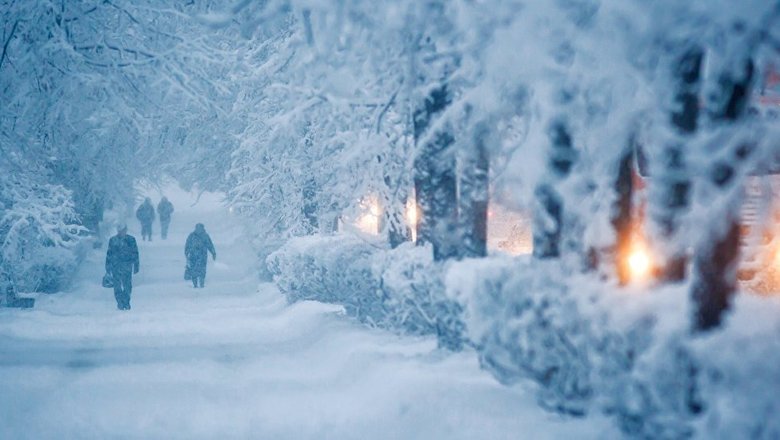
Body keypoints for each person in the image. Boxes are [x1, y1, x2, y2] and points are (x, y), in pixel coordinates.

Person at [105, 223, 139, 310]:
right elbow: (109, 254)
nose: (122, 232)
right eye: (120, 230)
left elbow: (135, 253)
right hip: (116, 266)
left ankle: (126, 301)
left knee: (127, 285)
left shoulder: (131, 240)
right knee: (117, 285)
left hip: (127, 265)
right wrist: (108, 266)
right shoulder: (113, 240)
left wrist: (136, 265)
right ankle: (120, 302)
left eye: (123, 230)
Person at [185, 223, 216, 288]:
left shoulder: (205, 236)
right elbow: (187, 244)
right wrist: (187, 252)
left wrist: (213, 253)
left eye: (200, 228)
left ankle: (202, 284)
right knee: (193, 270)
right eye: (197, 228)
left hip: (202, 256)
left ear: (202, 228)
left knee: (202, 270)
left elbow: (210, 245)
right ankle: (195, 284)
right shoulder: (191, 236)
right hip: (193, 256)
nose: (198, 230)